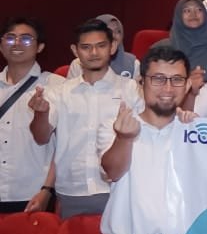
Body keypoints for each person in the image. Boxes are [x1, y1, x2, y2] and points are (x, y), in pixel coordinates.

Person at [97, 46, 192, 234]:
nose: (167, 88)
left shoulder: (196, 133)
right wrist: (124, 138)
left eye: (176, 80)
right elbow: (112, 171)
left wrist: (197, 137)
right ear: (141, 84)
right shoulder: (117, 125)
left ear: (187, 86)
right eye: (158, 79)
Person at [27, 20, 143, 218]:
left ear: (113, 47)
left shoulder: (131, 89)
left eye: (101, 45)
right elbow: (41, 137)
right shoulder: (59, 92)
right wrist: (40, 113)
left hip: (120, 188)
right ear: (75, 51)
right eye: (86, 47)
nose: (94, 53)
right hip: (72, 191)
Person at [0, 19, 61, 213]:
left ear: (40, 47)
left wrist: (47, 190)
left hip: (32, 194)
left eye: (26, 39)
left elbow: (65, 146)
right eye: (10, 38)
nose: (17, 43)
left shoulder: (57, 85)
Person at [65, 14, 140, 80]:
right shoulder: (77, 64)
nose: (113, 36)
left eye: (118, 31)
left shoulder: (133, 64)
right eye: (109, 31)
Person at [168, 0, 207, 85]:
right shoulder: (162, 49)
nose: (193, 15)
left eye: (199, 10)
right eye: (187, 11)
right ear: (178, 16)